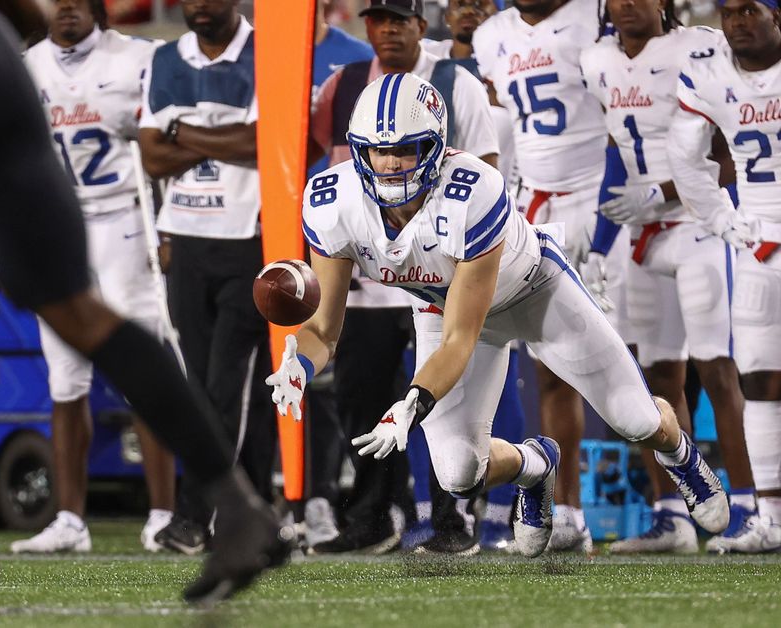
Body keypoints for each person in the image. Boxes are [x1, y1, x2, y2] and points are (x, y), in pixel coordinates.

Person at [268, 72, 730, 560]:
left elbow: (459, 341)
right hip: (441, 307)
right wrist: (299, 365)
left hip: (534, 292)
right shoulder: (332, 201)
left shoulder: (473, 190)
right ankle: (535, 466)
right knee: (457, 473)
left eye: (406, 150)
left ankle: (680, 452)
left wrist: (411, 402)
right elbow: (324, 329)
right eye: (377, 152)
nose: (389, 165)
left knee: (635, 420)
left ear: (437, 147)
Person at [0, 0, 287, 603]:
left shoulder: (135, 58)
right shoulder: (32, 51)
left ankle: (202, 510)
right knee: (81, 320)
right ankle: (239, 509)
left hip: (120, 215)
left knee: (87, 319)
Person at [580, 0, 776, 554]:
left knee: (719, 368)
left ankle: (747, 505)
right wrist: (600, 244)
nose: (625, 6)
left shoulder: (700, 46)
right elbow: (618, 147)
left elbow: (727, 147)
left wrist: (662, 193)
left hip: (699, 223)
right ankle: (676, 514)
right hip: (643, 236)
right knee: (652, 377)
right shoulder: (595, 59)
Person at [308, 0, 500, 556]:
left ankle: (449, 519)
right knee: (360, 399)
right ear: (365, 26)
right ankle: (371, 516)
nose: (387, 29)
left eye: (400, 19)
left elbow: (486, 177)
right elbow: (330, 167)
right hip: (370, 273)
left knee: (441, 394)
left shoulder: (453, 82)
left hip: (439, 272)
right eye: (377, 19)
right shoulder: (342, 83)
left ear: (422, 25)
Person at [8, 0, 175, 556]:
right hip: (59, 227)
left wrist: (169, 226)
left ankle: (162, 513)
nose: (68, 9)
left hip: (125, 222)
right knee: (64, 379)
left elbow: (166, 145)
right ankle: (69, 520)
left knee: (144, 368)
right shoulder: (25, 64)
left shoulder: (142, 59)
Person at [472, 0, 637, 553]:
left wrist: (606, 226)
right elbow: (503, 131)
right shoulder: (493, 34)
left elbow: (620, 121)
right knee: (551, 368)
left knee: (643, 361)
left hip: (601, 201)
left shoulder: (595, 15)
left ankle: (675, 505)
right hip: (536, 209)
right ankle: (568, 511)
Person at [138, 0, 277, 554]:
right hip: (186, 240)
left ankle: (199, 515)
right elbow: (150, 155)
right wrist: (220, 135)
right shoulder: (167, 57)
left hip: (247, 240)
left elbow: (261, 144)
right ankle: (244, 511)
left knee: (229, 389)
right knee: (199, 390)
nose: (196, 5)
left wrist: (185, 132)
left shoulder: (265, 54)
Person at [667, 0, 781, 550]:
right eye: (729, 12)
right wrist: (719, 217)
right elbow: (683, 154)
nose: (736, 22)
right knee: (759, 378)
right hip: (759, 238)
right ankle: (773, 518)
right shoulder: (709, 73)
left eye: (749, 11)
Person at [418, 0, 526, 552]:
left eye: (483, 2)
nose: (471, 11)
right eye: (460, 2)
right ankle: (439, 511)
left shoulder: (518, 59)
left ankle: (504, 506)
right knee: (428, 381)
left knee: (496, 374)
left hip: (500, 234)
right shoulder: (433, 69)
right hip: (428, 241)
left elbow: (487, 172)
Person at [303, 0, 375, 551]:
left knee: (354, 377)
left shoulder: (357, 62)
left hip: (370, 231)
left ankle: (336, 498)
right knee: (308, 368)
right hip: (309, 222)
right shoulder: (262, 55)